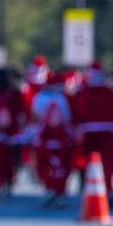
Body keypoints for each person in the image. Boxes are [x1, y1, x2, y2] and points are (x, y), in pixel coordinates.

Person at [73, 62, 113, 197]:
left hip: (90, 132)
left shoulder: (85, 93)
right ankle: (108, 188)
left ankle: (90, 187)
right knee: (107, 161)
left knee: (89, 161)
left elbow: (79, 111)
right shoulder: (111, 92)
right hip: (106, 131)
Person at [31, 72, 74, 206]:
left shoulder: (39, 97)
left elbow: (35, 116)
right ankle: (59, 190)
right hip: (59, 138)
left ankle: (50, 188)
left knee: (44, 165)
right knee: (61, 165)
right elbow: (67, 118)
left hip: (42, 138)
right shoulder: (62, 98)